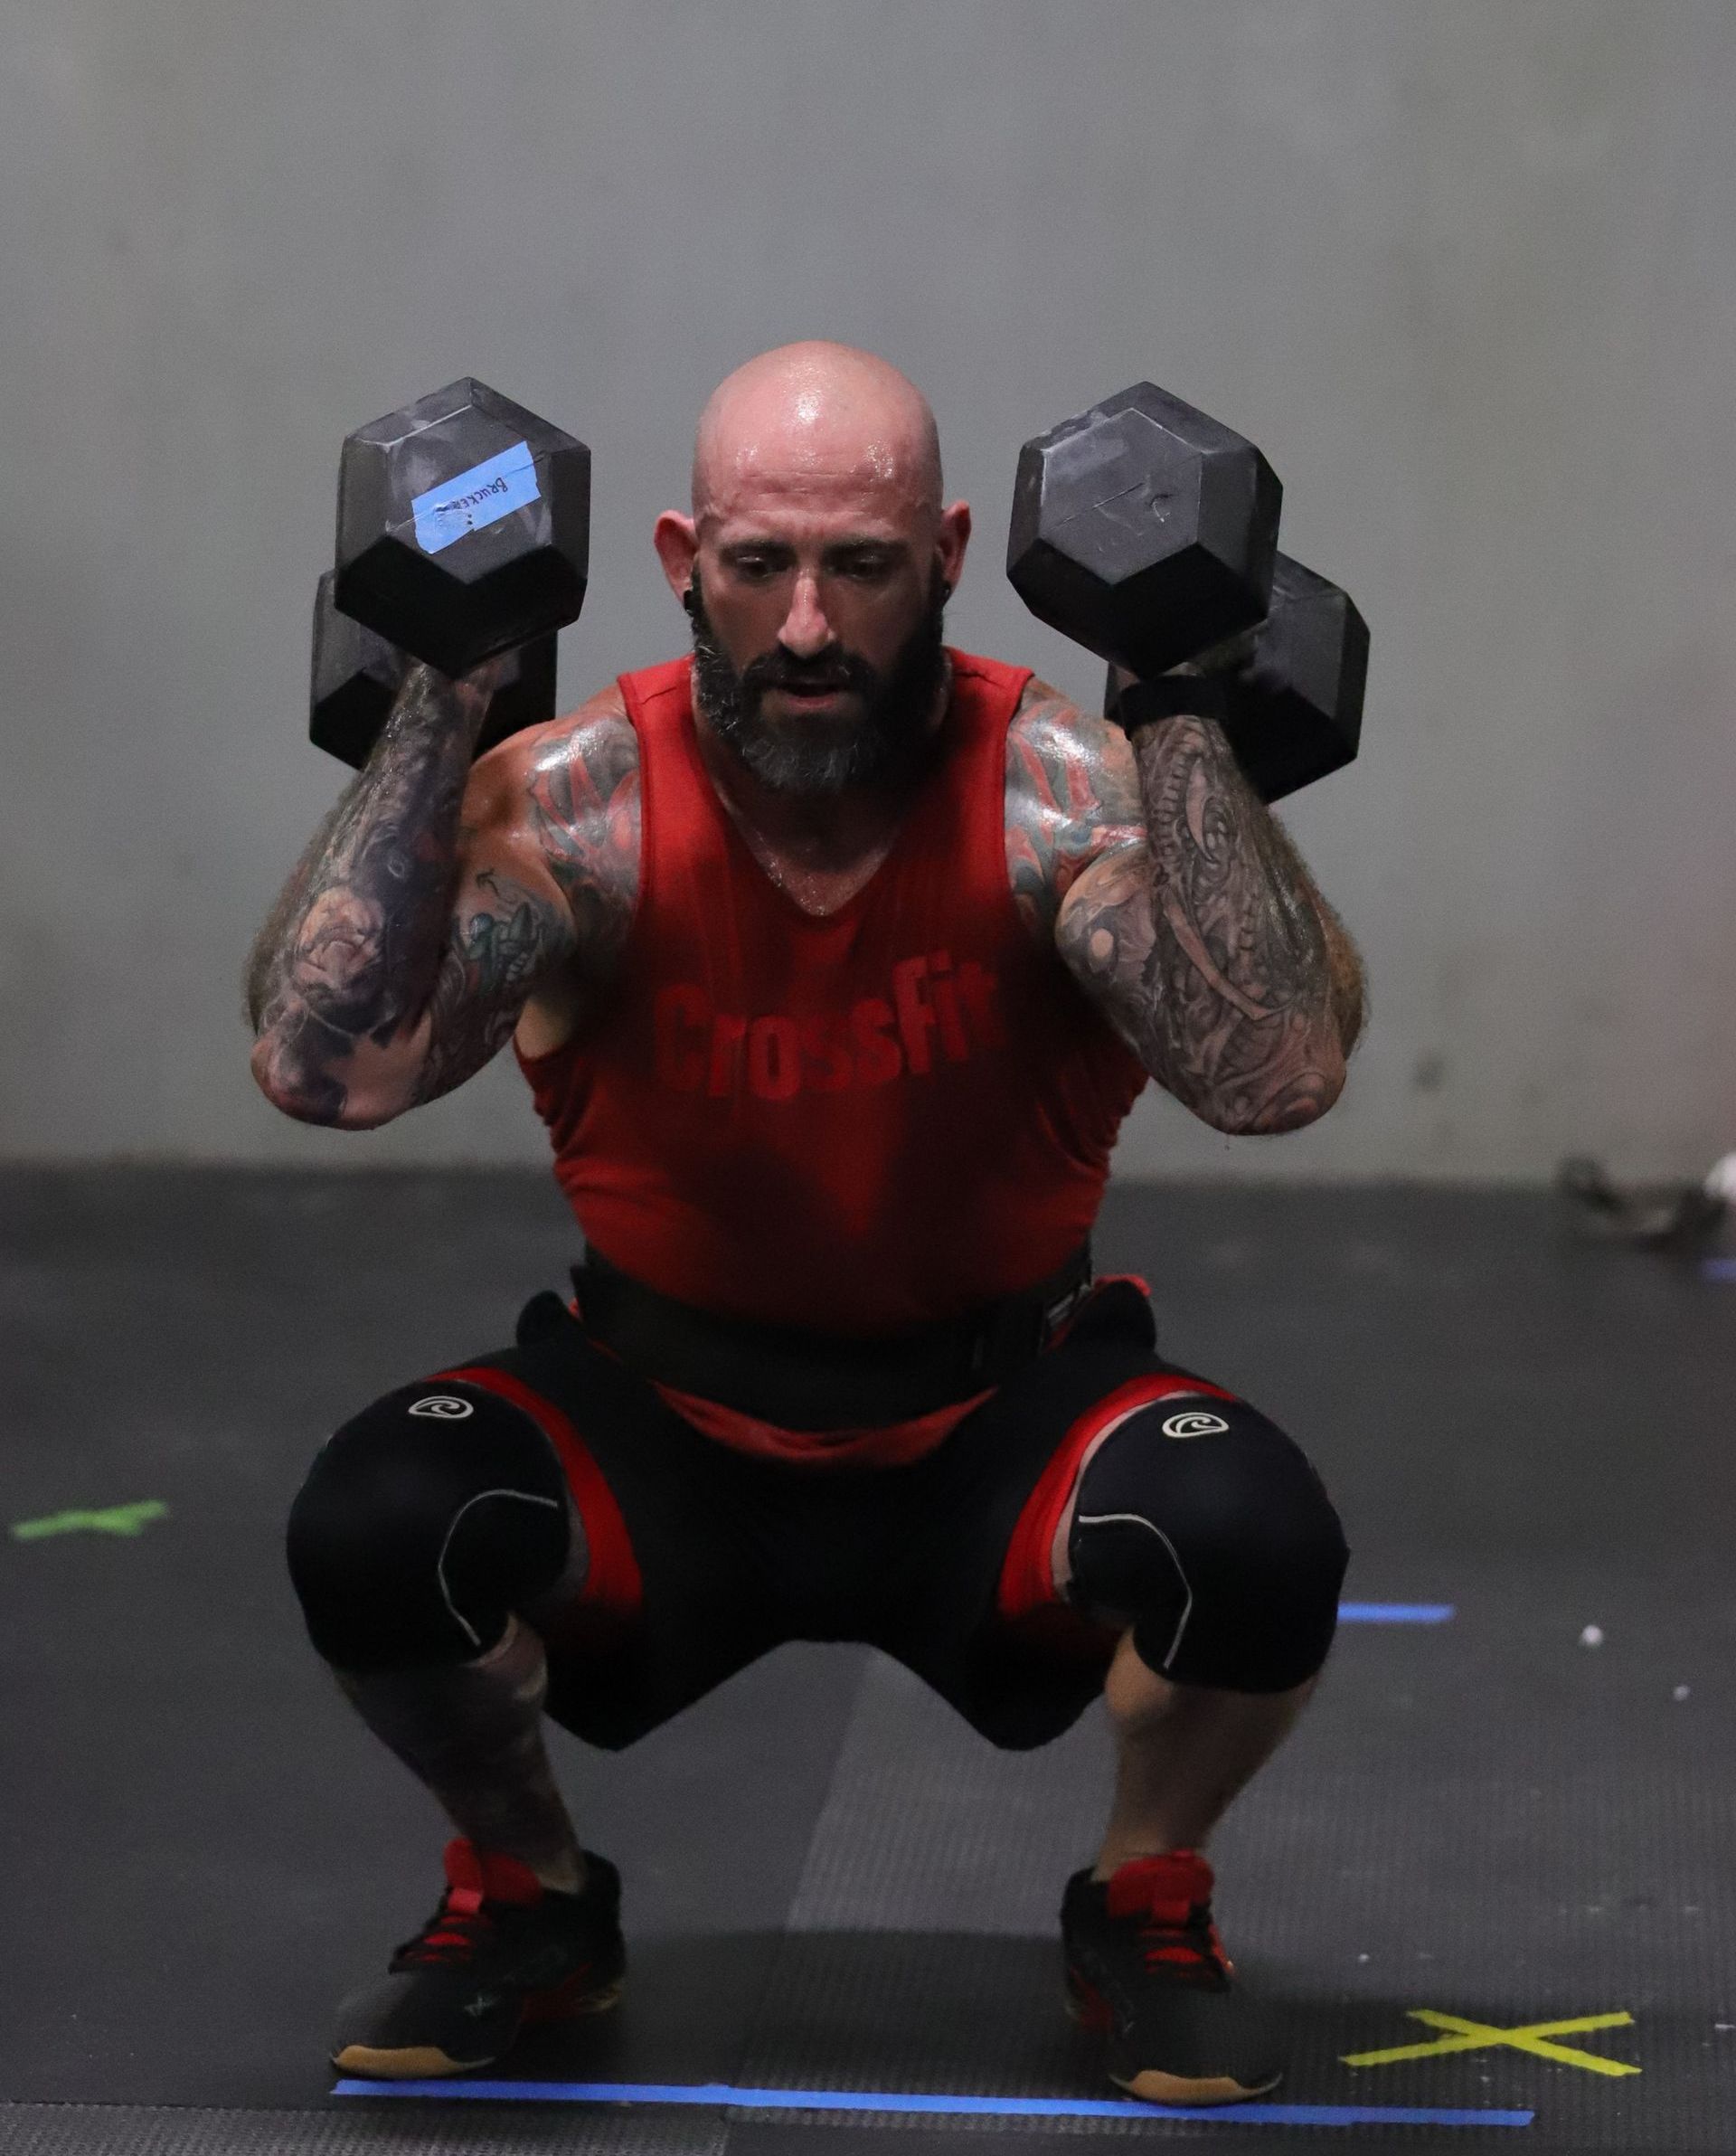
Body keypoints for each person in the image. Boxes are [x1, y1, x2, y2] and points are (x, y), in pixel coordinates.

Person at [248, 342, 1363, 2107]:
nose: (811, 626)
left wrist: (1185, 708)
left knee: (1256, 1528)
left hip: (994, 1422)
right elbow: (334, 1070)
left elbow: (1277, 1071)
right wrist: (436, 703)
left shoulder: (1054, 789)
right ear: (685, 557)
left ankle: (1147, 1894)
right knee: (382, 1515)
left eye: (861, 563)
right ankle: (529, 1891)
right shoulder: (582, 805)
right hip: (664, 1429)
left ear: (951, 552)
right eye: (762, 564)